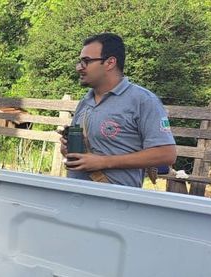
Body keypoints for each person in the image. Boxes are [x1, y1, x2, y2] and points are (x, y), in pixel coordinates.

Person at [61, 33, 176, 187]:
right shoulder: (85, 101)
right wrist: (67, 148)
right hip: (75, 197)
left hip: (117, 203)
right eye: (79, 62)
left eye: (86, 61)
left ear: (110, 62)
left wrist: (103, 162)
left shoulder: (143, 100)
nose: (79, 67)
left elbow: (166, 154)